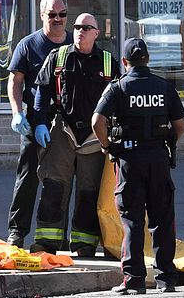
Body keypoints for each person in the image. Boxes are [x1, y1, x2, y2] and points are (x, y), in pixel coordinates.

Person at [92, 38, 184, 294]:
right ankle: (166, 279)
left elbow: (97, 121)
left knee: (132, 220)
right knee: (163, 219)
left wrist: (108, 146)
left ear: (124, 62)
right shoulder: (164, 87)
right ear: (148, 59)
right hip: (158, 158)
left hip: (129, 161)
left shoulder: (118, 88)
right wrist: (163, 142)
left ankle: (133, 280)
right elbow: (180, 125)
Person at [30, 13, 119, 257]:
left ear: (96, 33)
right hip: (63, 130)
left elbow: (118, 101)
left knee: (88, 191)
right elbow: (42, 93)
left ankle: (84, 243)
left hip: (94, 135)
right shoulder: (57, 57)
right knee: (54, 186)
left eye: (86, 27)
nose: (80, 31)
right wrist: (39, 123)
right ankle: (47, 242)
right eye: (78, 27)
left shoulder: (108, 62)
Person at [5, 0, 73, 247]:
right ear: (42, 15)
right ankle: (17, 232)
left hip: (66, 125)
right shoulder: (29, 45)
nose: (57, 19)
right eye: (52, 14)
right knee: (28, 178)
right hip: (35, 122)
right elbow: (15, 80)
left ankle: (56, 236)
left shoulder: (73, 44)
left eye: (62, 14)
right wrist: (16, 112)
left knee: (60, 181)